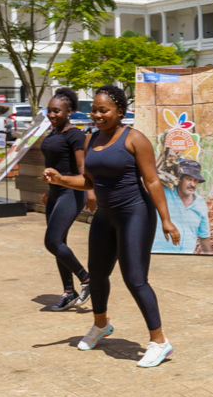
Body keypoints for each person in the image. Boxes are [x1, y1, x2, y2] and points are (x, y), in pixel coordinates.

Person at [43, 84, 182, 369]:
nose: (97, 114)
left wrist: (166, 219)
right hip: (105, 216)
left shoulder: (135, 139)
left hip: (135, 214)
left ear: (120, 110)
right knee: (97, 276)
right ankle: (101, 325)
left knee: (135, 279)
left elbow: (153, 181)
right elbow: (89, 182)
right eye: (94, 109)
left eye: (103, 110)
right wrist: (60, 180)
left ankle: (159, 341)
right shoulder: (90, 140)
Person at [40, 87, 94, 311]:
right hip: (55, 192)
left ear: (69, 111)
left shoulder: (75, 135)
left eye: (57, 111)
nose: (52, 115)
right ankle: (69, 292)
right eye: (49, 111)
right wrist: (48, 190)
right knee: (58, 244)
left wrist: (91, 193)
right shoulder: (53, 133)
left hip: (71, 192)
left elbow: (83, 168)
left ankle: (87, 280)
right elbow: (53, 165)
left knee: (52, 241)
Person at [153, 158, 212, 254]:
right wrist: (161, 159)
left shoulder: (200, 204)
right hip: (158, 254)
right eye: (188, 179)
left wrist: (210, 258)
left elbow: (204, 237)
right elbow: (147, 182)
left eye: (195, 180)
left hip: (187, 257)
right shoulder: (163, 193)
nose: (192, 184)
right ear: (178, 179)